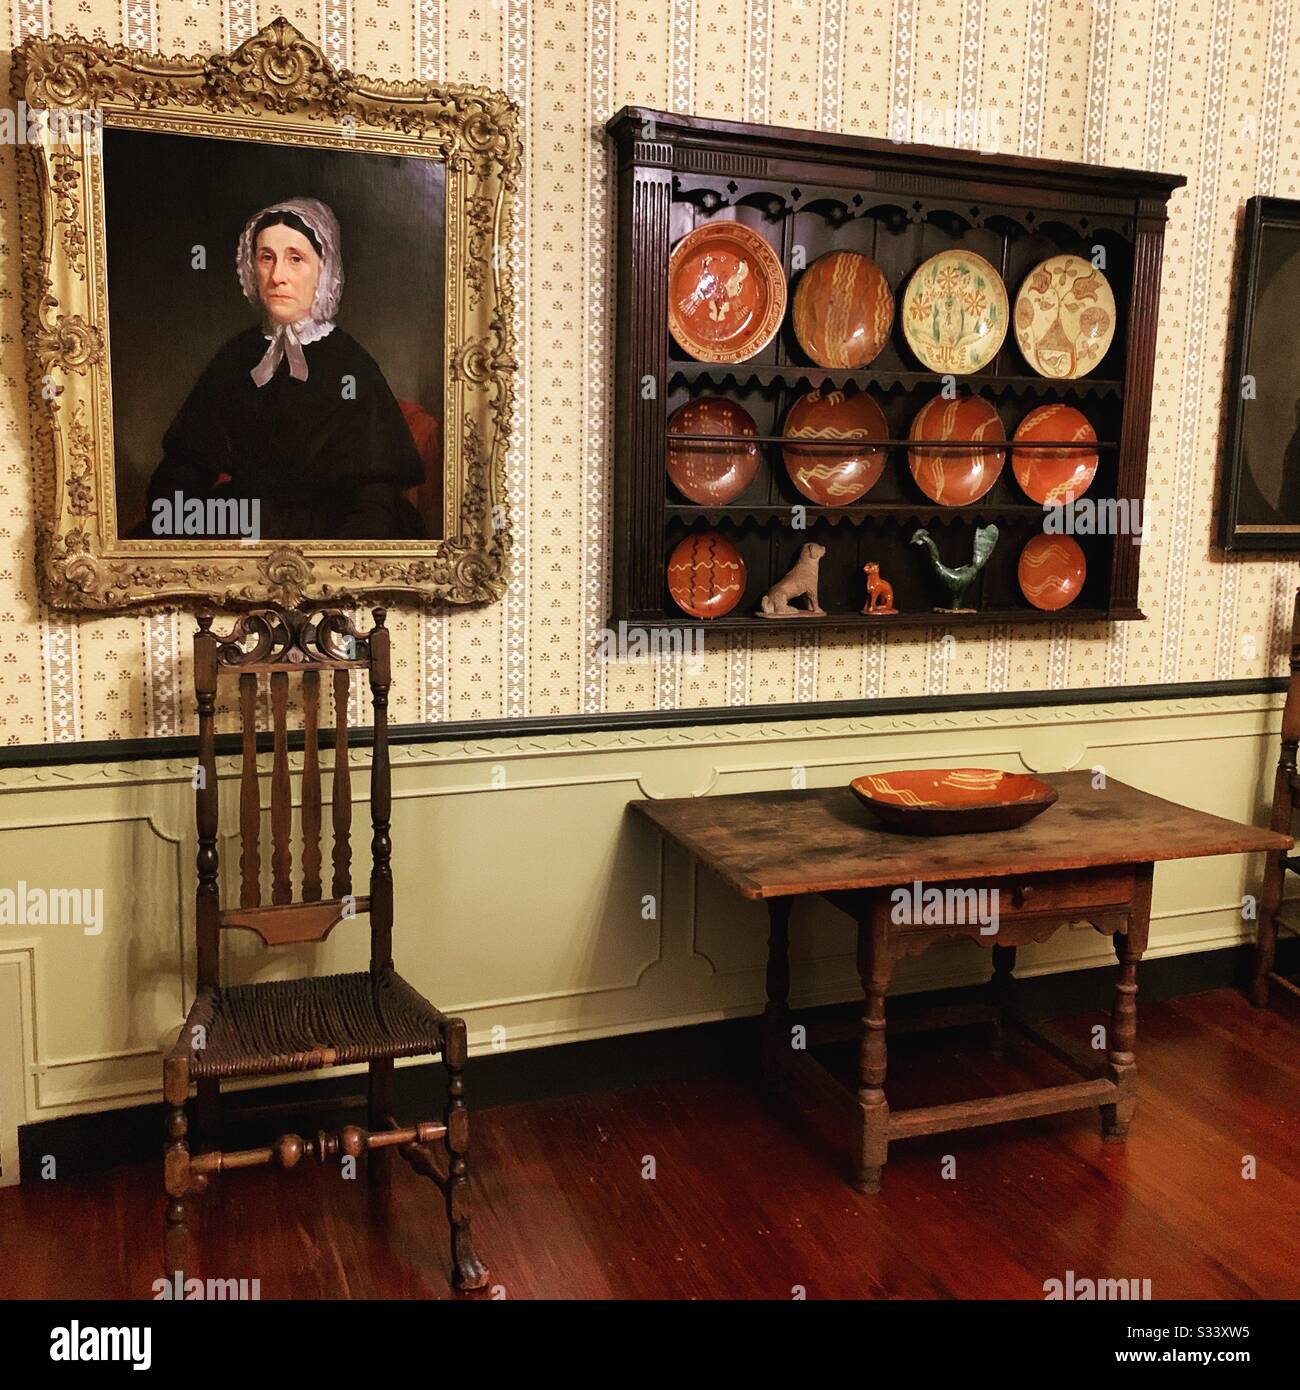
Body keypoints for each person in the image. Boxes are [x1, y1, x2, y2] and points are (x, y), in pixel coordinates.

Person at [143, 197, 426, 539]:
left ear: (324, 271)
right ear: (251, 267)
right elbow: (185, 464)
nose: (277, 276)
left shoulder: (351, 363)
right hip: (245, 525)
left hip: (332, 532)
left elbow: (375, 499)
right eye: (266, 258)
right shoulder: (237, 357)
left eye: (296, 259)